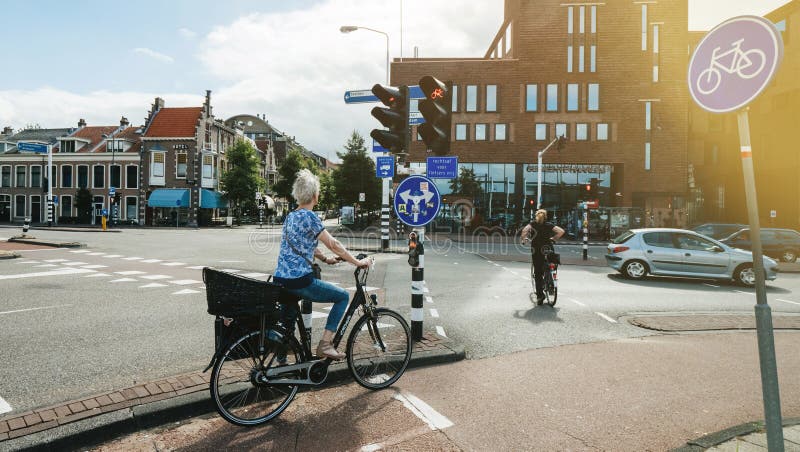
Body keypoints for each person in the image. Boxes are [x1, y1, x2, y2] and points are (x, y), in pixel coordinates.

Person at [272, 169, 371, 360]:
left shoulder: (290, 216)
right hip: (299, 280)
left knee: (287, 327)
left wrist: (326, 259)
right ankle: (326, 345)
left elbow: (302, 244)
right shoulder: (310, 217)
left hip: (281, 280)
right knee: (342, 296)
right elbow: (333, 244)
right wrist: (358, 262)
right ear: (315, 195)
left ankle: (280, 368)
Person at [520, 209, 565, 304]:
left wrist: (524, 240)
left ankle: (540, 296)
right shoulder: (549, 224)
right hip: (548, 248)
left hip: (537, 250)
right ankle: (551, 284)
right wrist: (553, 238)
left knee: (538, 273)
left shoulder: (532, 224)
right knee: (551, 264)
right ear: (545, 217)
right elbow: (561, 231)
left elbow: (524, 231)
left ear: (536, 216)